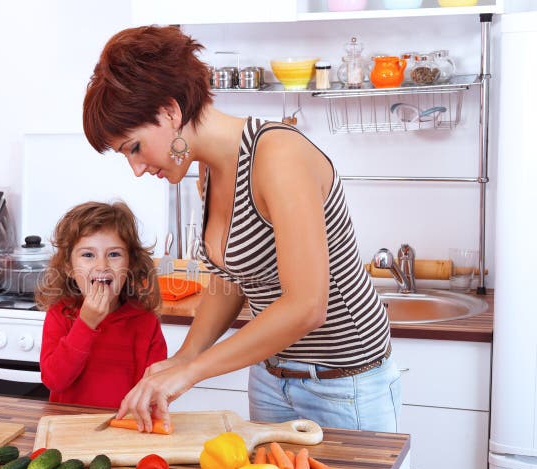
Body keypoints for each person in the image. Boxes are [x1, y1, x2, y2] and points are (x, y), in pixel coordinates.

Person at [82, 25, 400, 433]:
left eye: (134, 147)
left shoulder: (278, 156)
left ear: (169, 112)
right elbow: (229, 281)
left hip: (345, 384)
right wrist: (185, 355)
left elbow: (307, 305)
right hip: (272, 379)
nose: (137, 168)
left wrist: (193, 371)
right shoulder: (209, 173)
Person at [36, 201, 167, 409]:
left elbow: (154, 393)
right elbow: (54, 380)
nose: (102, 266)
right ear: (69, 267)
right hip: (68, 434)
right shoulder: (60, 314)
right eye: (88, 255)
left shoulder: (145, 322)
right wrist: (85, 324)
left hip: (123, 434)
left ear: (130, 264)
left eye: (114, 254)